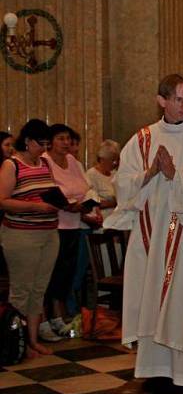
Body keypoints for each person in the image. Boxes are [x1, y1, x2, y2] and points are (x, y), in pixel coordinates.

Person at [104, 74, 183, 394]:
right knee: (150, 300)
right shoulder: (141, 140)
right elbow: (122, 186)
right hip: (149, 239)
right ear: (162, 101)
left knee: (181, 300)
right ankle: (154, 371)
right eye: (179, 100)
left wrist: (175, 174)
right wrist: (151, 172)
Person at [0, 119, 60, 358]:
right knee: (21, 290)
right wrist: (36, 208)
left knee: (39, 289)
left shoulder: (45, 163)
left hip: (48, 233)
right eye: (40, 144)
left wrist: (59, 203)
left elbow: (50, 192)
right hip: (21, 235)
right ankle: (15, 341)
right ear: (27, 141)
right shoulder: (11, 165)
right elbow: (3, 200)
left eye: (47, 143)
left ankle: (32, 340)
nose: (43, 149)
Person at [42, 124, 95, 340]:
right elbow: (48, 191)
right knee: (52, 273)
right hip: (54, 226)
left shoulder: (72, 161)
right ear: (51, 141)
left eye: (67, 139)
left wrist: (82, 205)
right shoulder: (45, 161)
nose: (65, 143)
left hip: (74, 224)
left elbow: (82, 187)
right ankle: (51, 317)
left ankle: (60, 317)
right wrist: (66, 205)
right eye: (61, 138)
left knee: (66, 273)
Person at [85, 139, 121, 221]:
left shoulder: (115, 174)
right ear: (102, 159)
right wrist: (114, 203)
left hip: (116, 220)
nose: (115, 163)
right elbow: (91, 202)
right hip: (100, 222)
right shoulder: (91, 174)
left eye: (116, 160)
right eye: (112, 160)